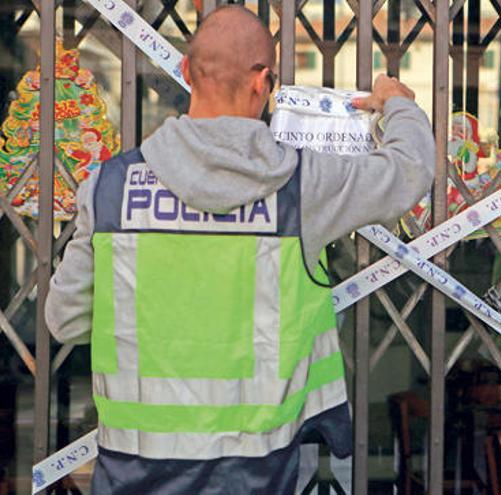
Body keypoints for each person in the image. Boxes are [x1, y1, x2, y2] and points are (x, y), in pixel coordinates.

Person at [45, 5, 434, 493]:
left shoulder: (107, 189)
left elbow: (66, 320)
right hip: (256, 474)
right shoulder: (301, 186)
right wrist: (395, 102)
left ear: (186, 72)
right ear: (263, 82)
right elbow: (409, 171)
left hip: (133, 473)